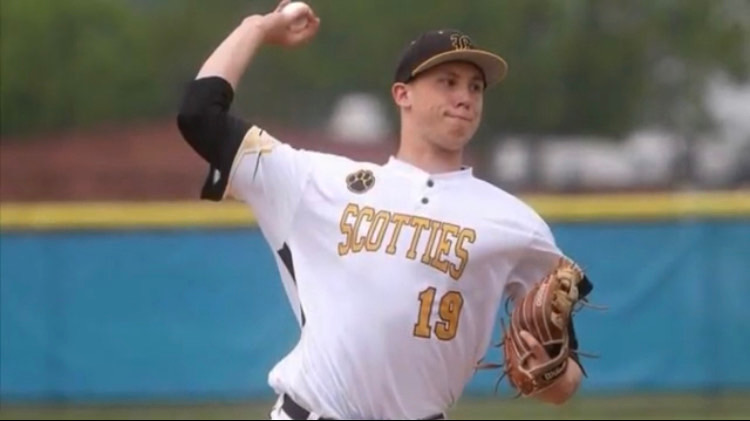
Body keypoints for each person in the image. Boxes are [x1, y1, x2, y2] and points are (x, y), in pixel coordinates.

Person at [176, 1, 590, 419]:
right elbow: (198, 115)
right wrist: (259, 26)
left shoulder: (516, 224)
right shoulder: (315, 181)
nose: (465, 97)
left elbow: (565, 379)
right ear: (402, 94)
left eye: (475, 87)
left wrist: (551, 376)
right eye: (448, 81)